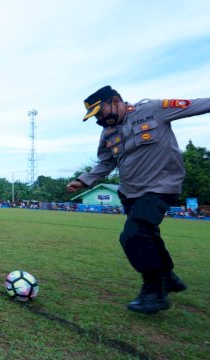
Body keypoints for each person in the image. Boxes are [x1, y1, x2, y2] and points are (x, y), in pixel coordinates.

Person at [66, 85, 210, 314]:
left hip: (161, 187)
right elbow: (105, 162)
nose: (99, 120)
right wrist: (84, 181)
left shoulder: (154, 109)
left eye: (100, 113)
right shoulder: (107, 133)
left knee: (133, 236)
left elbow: (199, 104)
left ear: (115, 101)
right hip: (130, 192)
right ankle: (168, 277)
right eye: (95, 117)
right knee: (149, 235)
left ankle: (154, 292)